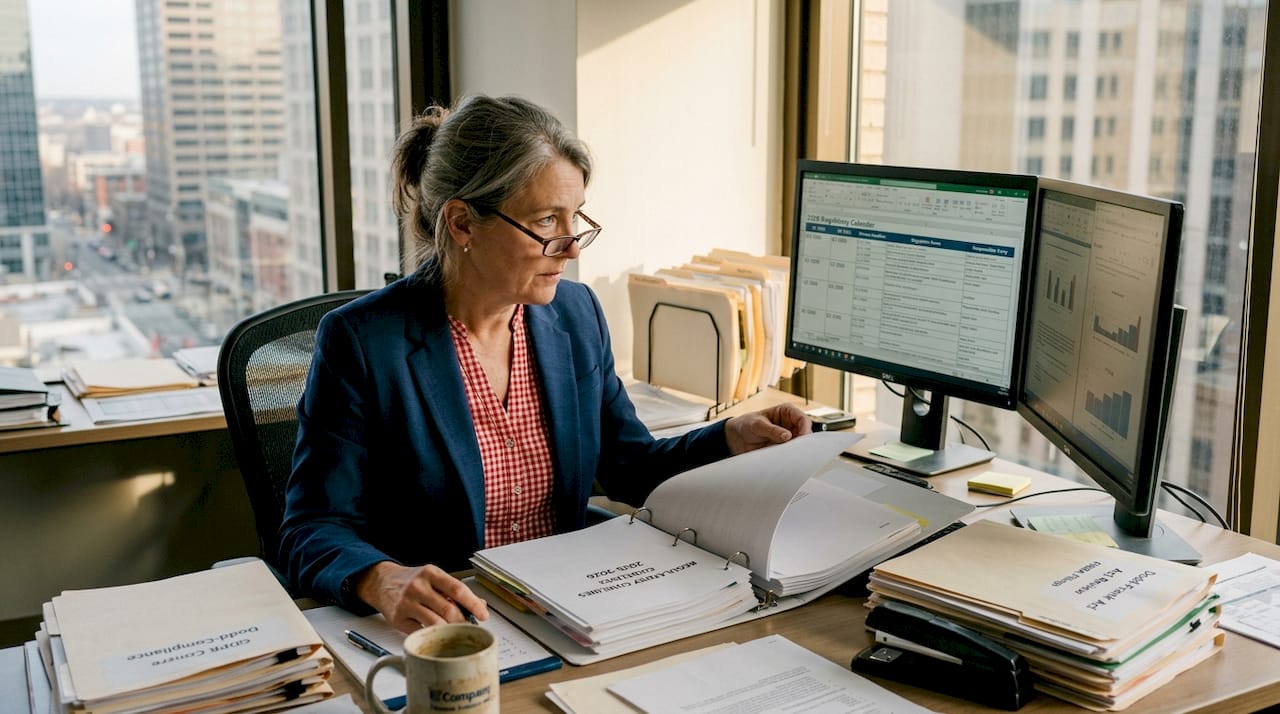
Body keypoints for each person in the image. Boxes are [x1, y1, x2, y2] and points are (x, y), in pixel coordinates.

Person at [278, 94, 811, 634]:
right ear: (462, 223)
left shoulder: (575, 316)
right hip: (450, 628)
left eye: (575, 218)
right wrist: (381, 579)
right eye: (546, 221)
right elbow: (312, 525)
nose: (571, 247)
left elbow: (631, 466)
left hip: (573, 611)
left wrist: (728, 439)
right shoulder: (364, 342)